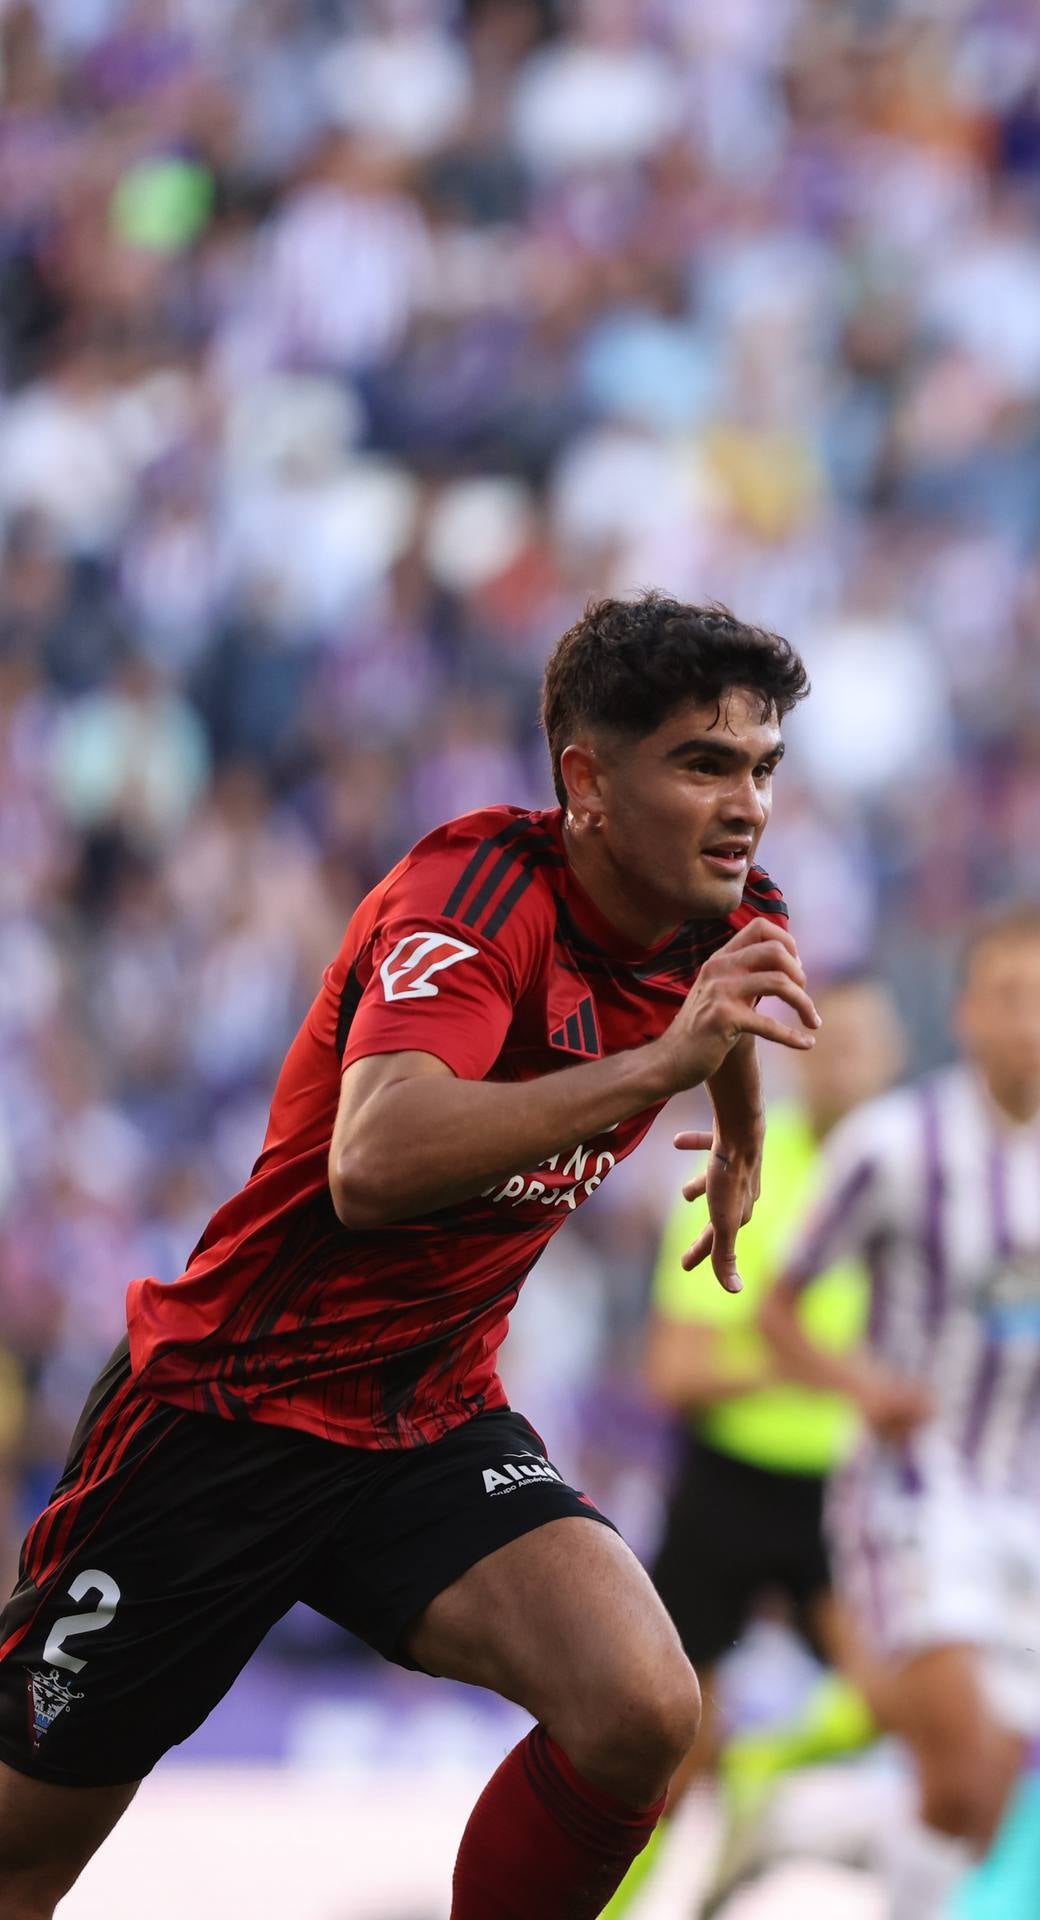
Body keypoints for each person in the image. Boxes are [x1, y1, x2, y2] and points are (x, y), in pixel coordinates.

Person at [0, 594, 817, 1920]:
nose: (747, 805)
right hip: (225, 1419)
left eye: (763, 767)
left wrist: (738, 1140)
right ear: (587, 783)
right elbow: (371, 1164)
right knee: (21, 1859)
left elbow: (742, 988)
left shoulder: (723, 905)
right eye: (704, 764)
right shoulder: (475, 897)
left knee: (640, 1707)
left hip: (426, 1415)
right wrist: (661, 1066)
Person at [757, 908, 1040, 1920]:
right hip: (916, 1484)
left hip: (1039, 1496)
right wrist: (864, 1390)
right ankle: (807, 1822)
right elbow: (777, 1305)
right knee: (963, 1755)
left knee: (974, 1803)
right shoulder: (895, 1147)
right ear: (968, 1014)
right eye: (1008, 998)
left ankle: (809, 1833)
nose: (1029, 1022)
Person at [601, 978, 907, 1920]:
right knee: (667, 1748)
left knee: (893, 1703)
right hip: (727, 1484)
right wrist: (823, 1370)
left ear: (894, 1060)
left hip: (844, 1491)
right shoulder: (740, 1169)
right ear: (790, 1060)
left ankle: (761, 1766)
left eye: (865, 1045)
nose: (847, 1064)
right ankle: (617, 1907)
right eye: (829, 1044)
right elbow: (672, 1370)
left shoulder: (915, 1181)